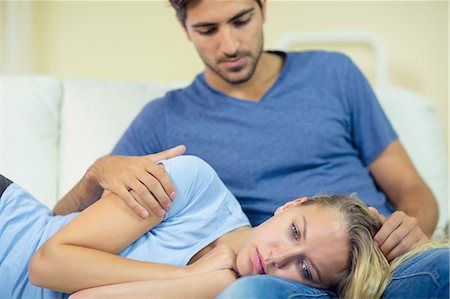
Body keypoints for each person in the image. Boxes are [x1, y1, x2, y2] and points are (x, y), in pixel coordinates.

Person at [52, 0, 448, 297]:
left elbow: (413, 189)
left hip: (383, 265)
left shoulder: (334, 74)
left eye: (241, 21)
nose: (229, 45)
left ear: (263, 8)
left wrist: (409, 226)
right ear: (184, 27)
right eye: (207, 29)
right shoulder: (164, 118)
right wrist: (96, 173)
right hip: (283, 280)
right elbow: (56, 230)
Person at [1, 155, 399, 298]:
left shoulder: (227, 293)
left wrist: (203, 284)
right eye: (296, 231)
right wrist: (189, 273)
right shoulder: (196, 186)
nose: (278, 258)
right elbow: (47, 263)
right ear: (291, 205)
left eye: (305, 269)